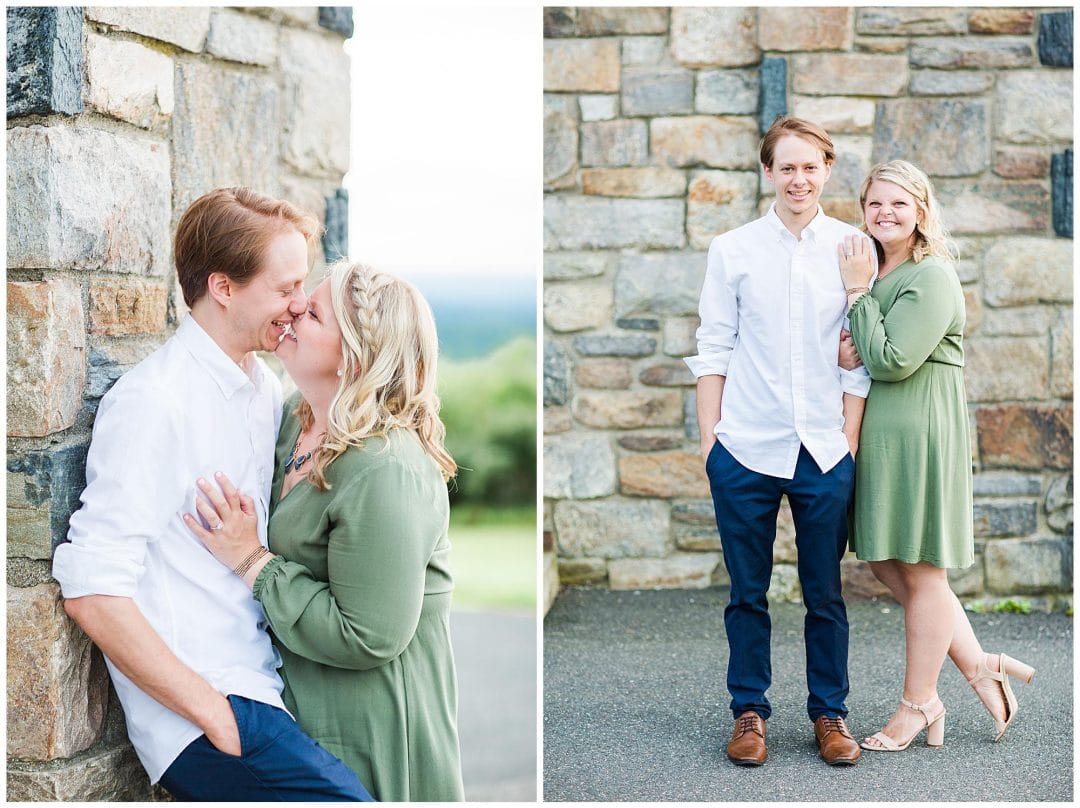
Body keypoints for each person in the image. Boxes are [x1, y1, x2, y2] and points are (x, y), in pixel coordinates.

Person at [52, 187, 374, 801]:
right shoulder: (154, 402)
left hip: (264, 689)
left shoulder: (263, 391)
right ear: (223, 287)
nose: (300, 303)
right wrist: (214, 714)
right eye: (285, 289)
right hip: (210, 713)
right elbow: (92, 589)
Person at [183, 260, 466, 801]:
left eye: (312, 312)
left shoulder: (385, 467)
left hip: (372, 728)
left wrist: (252, 561)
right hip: (302, 711)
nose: (293, 309)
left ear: (354, 355)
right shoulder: (296, 417)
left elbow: (371, 635)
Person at [684, 116, 871, 768]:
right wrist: (713, 446)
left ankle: (829, 714)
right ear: (768, 172)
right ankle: (749, 712)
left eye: (810, 166)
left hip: (823, 451)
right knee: (747, 592)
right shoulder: (732, 249)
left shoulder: (853, 246)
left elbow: (857, 359)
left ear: (827, 169)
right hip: (745, 451)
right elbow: (714, 351)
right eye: (786, 167)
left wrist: (847, 441)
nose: (798, 178)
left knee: (825, 592)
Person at [838, 160, 1036, 752]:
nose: (886, 214)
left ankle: (918, 704)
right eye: (875, 205)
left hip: (920, 427)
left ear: (921, 210)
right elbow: (858, 349)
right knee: (884, 562)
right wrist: (859, 337)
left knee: (924, 570)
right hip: (883, 430)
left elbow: (889, 358)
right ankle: (981, 666)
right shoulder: (880, 267)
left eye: (899, 204)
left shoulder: (931, 275)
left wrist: (856, 298)